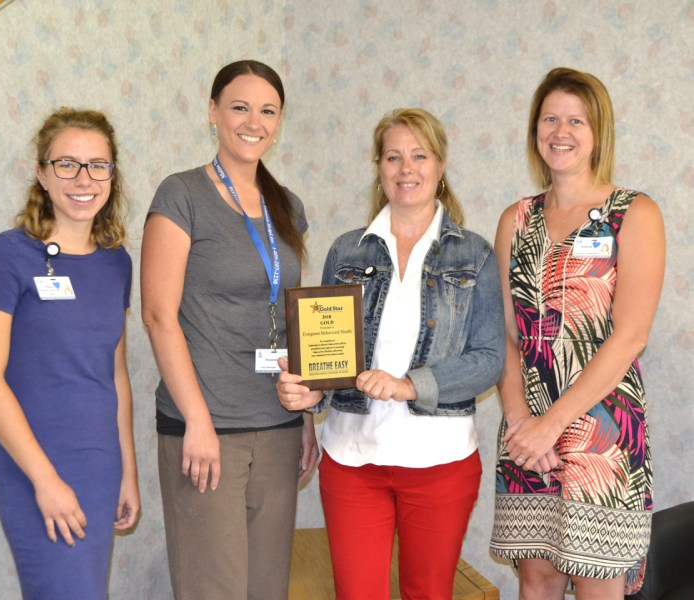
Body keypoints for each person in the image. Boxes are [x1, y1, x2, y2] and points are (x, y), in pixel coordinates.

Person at [277, 107, 505, 599]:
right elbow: (324, 356)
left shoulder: (476, 254)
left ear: (440, 167)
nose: (407, 168)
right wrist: (306, 396)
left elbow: (490, 358)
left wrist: (410, 385)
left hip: (440, 462)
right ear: (379, 168)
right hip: (353, 459)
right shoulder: (346, 251)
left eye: (419, 156)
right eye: (394, 156)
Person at [141, 60, 319, 600]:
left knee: (268, 588)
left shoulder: (287, 206)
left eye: (268, 110)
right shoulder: (181, 195)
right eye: (239, 106)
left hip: (278, 426)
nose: (253, 121)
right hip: (205, 431)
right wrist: (197, 420)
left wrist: (307, 412)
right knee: (211, 589)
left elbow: (289, 314)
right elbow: (157, 314)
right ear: (213, 112)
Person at [489, 67, 665, 600]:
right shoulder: (515, 220)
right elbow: (507, 338)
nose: (560, 131)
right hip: (527, 435)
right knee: (537, 579)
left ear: (597, 132)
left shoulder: (634, 213)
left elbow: (630, 336)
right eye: (550, 118)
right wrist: (524, 424)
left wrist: (553, 426)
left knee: (596, 581)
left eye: (576, 120)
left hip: (602, 434)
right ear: (534, 128)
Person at [0, 107, 140, 599]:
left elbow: (116, 374)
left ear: (112, 175)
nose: (82, 179)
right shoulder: (8, 255)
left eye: (97, 165)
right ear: (42, 174)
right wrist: (46, 481)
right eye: (66, 164)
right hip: (34, 468)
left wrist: (128, 471)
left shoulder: (115, 263)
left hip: (100, 466)